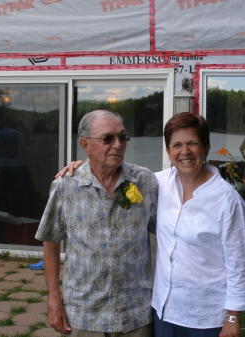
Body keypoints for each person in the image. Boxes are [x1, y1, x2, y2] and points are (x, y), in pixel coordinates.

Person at [59, 112, 245, 337]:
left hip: (206, 316)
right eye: (177, 145)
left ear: (206, 147)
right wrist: (85, 165)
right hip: (164, 310)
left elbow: (239, 264)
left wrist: (232, 318)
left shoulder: (227, 200)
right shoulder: (158, 184)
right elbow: (116, 170)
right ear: (168, 150)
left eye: (193, 143)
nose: (185, 152)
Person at [35, 110, 158, 336]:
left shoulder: (145, 181)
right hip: (84, 314)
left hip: (135, 312)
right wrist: (53, 298)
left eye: (123, 137)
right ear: (85, 144)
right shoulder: (66, 186)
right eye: (107, 138)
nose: (118, 145)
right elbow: (50, 241)